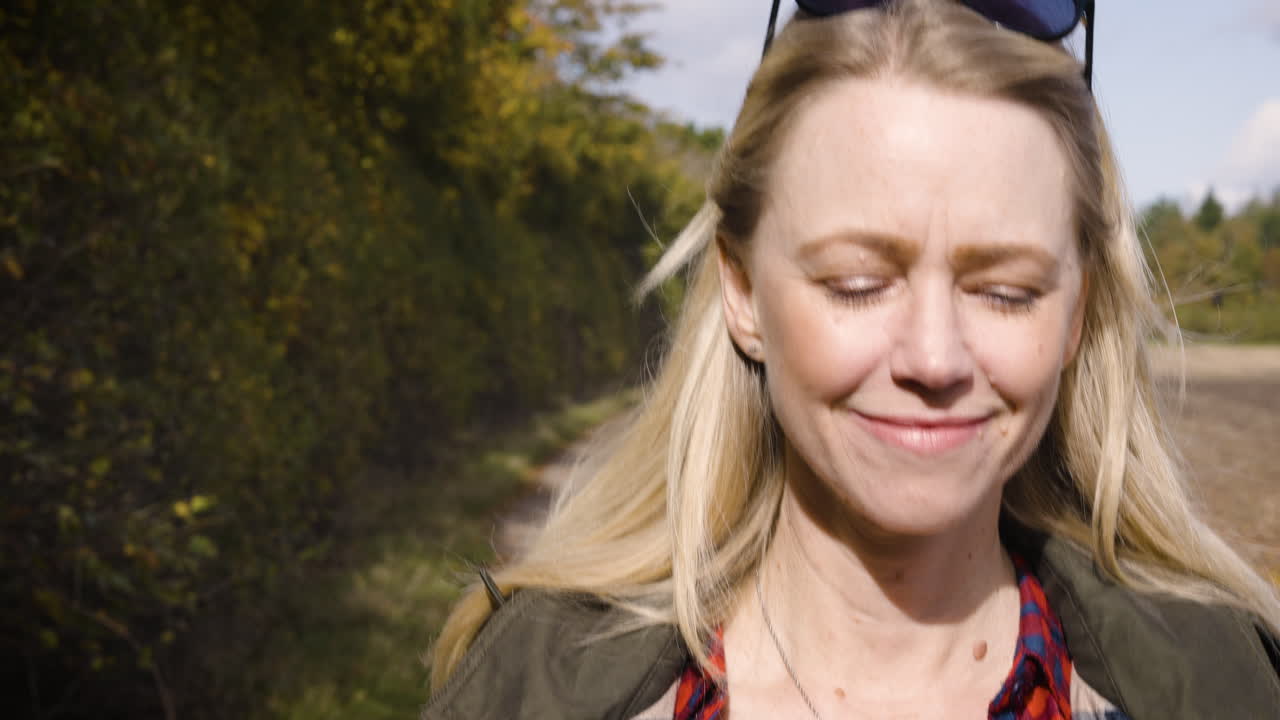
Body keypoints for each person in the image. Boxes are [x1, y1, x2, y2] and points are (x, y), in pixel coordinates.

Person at [425, 1, 1280, 718]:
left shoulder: (1225, 686)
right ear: (742, 292)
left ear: (1076, 312)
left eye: (1006, 290)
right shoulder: (530, 688)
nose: (934, 357)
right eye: (857, 283)